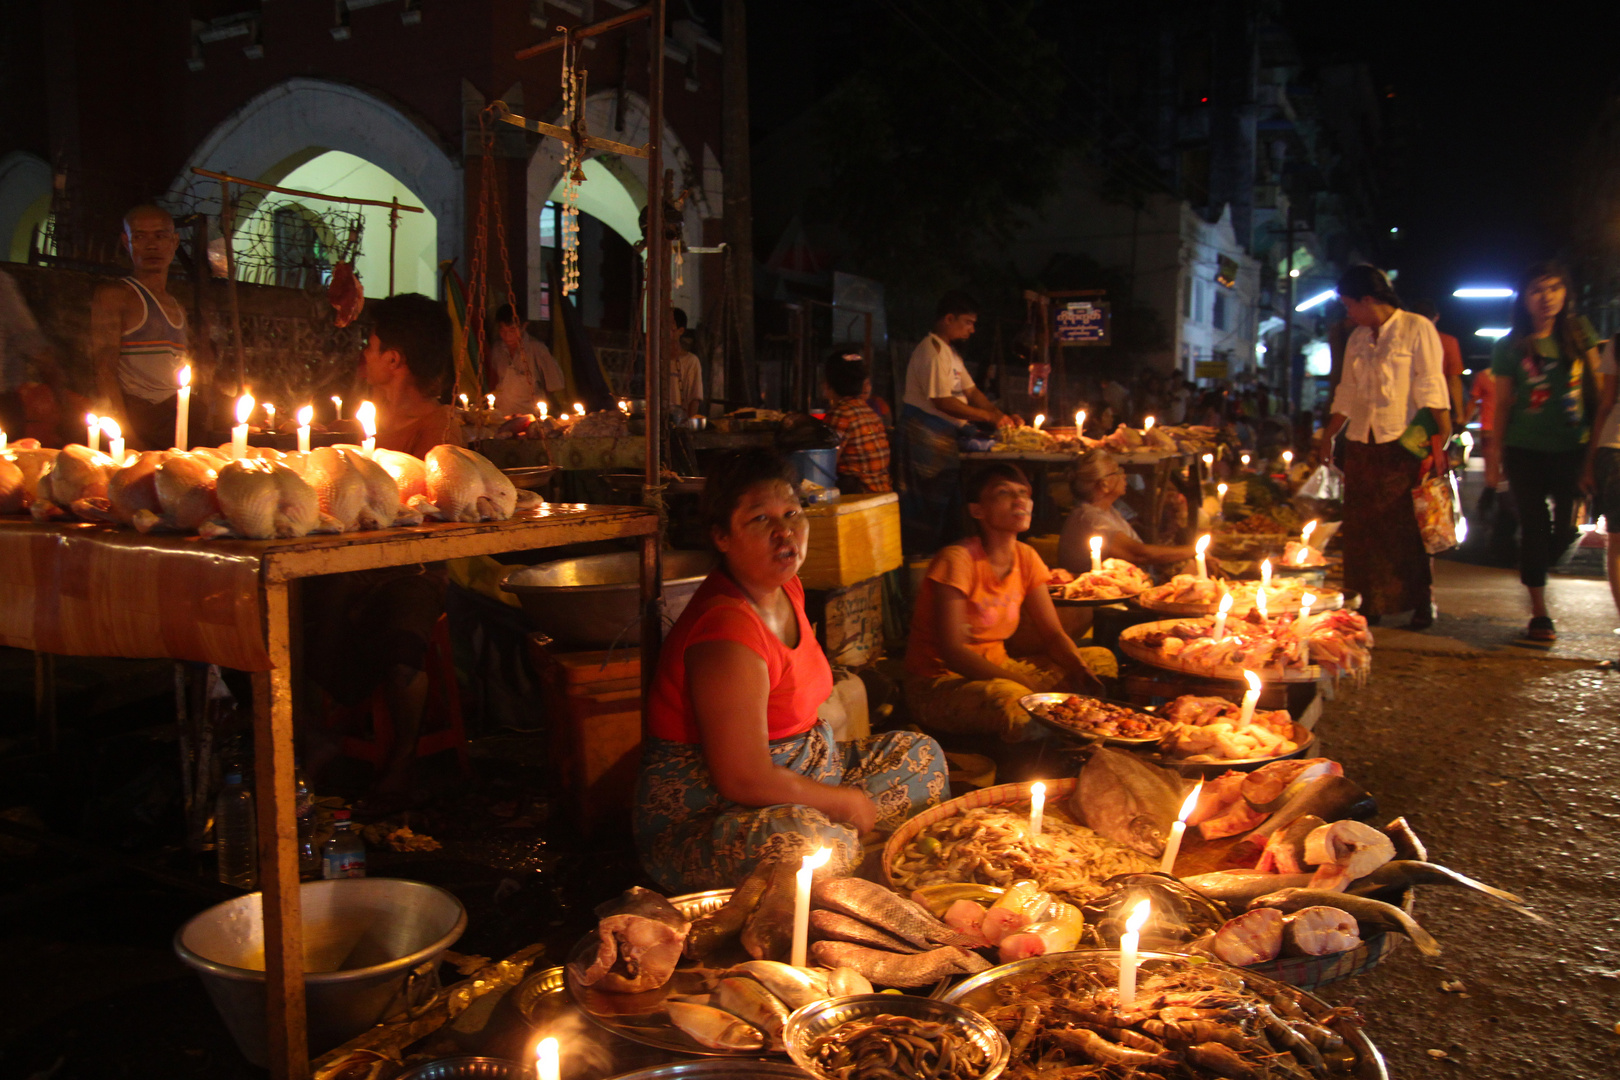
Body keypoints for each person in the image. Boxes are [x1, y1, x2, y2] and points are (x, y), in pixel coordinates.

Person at [635, 449, 947, 891]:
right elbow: (742, 777)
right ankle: (854, 868)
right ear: (722, 536)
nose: (785, 533)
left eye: (792, 513)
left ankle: (855, 855)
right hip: (714, 815)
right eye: (760, 520)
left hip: (802, 780)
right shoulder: (726, 633)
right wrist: (843, 802)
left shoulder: (787, 587)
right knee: (803, 841)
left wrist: (841, 797)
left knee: (920, 758)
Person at [305, 294, 462, 805]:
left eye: (370, 345)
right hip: (350, 562)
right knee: (308, 597)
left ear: (394, 360)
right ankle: (315, 736)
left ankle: (402, 760)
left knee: (401, 641)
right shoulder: (362, 423)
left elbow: (436, 507)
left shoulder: (439, 428)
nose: (363, 355)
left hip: (412, 567)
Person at [904, 463, 1116, 743]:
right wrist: (1027, 685)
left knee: (1100, 659)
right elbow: (953, 651)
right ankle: (1035, 768)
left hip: (1003, 668)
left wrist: (1079, 668)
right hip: (941, 683)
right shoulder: (957, 560)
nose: (1019, 501)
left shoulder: (1026, 556)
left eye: (1023, 493)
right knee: (1016, 703)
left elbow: (1052, 634)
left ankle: (1088, 745)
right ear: (977, 510)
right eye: (1004, 493)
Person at [1317, 265, 1450, 630]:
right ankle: (1367, 601)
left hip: (1403, 444)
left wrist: (1441, 441)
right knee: (1361, 529)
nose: (1348, 313)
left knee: (1406, 527)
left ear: (1368, 300)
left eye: (1349, 305)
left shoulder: (1416, 328)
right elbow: (1346, 391)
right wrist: (1329, 435)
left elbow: (1431, 388)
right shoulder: (1358, 337)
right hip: (1362, 442)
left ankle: (1420, 601)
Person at [1485, 262, 1600, 642]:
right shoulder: (1508, 346)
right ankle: (1540, 613)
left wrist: (1596, 450)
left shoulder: (1580, 334)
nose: (1546, 297)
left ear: (1565, 294)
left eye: (1554, 288)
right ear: (1524, 297)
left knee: (1566, 529)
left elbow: (1600, 392)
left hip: (1574, 447)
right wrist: (1494, 457)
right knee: (1534, 526)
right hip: (1524, 448)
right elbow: (1502, 405)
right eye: (1537, 289)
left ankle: (1543, 571)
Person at [900, 290, 1012, 553]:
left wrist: (1000, 416)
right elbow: (942, 401)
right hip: (924, 438)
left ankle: (946, 558)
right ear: (949, 319)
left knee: (946, 506)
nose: (972, 330)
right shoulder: (931, 351)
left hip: (944, 438)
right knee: (925, 509)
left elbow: (972, 392)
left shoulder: (951, 354)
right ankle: (921, 565)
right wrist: (988, 416)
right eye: (968, 322)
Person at [89, 205, 206, 450]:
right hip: (141, 421)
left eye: (160, 236)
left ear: (174, 241)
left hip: (177, 420)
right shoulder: (117, 297)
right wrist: (125, 435)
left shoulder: (177, 307)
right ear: (126, 241)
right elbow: (104, 369)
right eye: (140, 237)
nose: (151, 246)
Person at [1058, 449, 1198, 573]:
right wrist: (1194, 550)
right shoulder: (1092, 521)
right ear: (1104, 484)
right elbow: (1139, 554)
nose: (1124, 475)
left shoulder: (1104, 511)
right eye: (1117, 471)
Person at [822, 351, 891, 494]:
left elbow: (825, 464)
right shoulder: (868, 411)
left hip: (859, 495)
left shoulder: (840, 414)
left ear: (829, 384)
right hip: (882, 492)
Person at [1589, 338, 1620, 656]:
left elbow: (1607, 402)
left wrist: (1589, 461)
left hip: (1615, 450)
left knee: (1618, 546)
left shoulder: (1617, 344)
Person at [489, 303, 563, 415]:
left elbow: (555, 385)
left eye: (512, 330)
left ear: (524, 326)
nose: (507, 336)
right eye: (502, 330)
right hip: (502, 415)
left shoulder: (537, 349)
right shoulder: (498, 349)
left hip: (530, 417)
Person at [1412, 299, 1467, 429]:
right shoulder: (1448, 341)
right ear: (1436, 317)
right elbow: (1454, 380)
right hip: (1438, 406)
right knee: (1437, 445)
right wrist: (1459, 414)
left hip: (1409, 405)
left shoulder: (1402, 341)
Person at [665, 307, 704, 418]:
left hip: (680, 418)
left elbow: (694, 398)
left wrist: (688, 422)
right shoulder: (656, 360)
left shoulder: (691, 361)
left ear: (680, 331)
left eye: (669, 326)